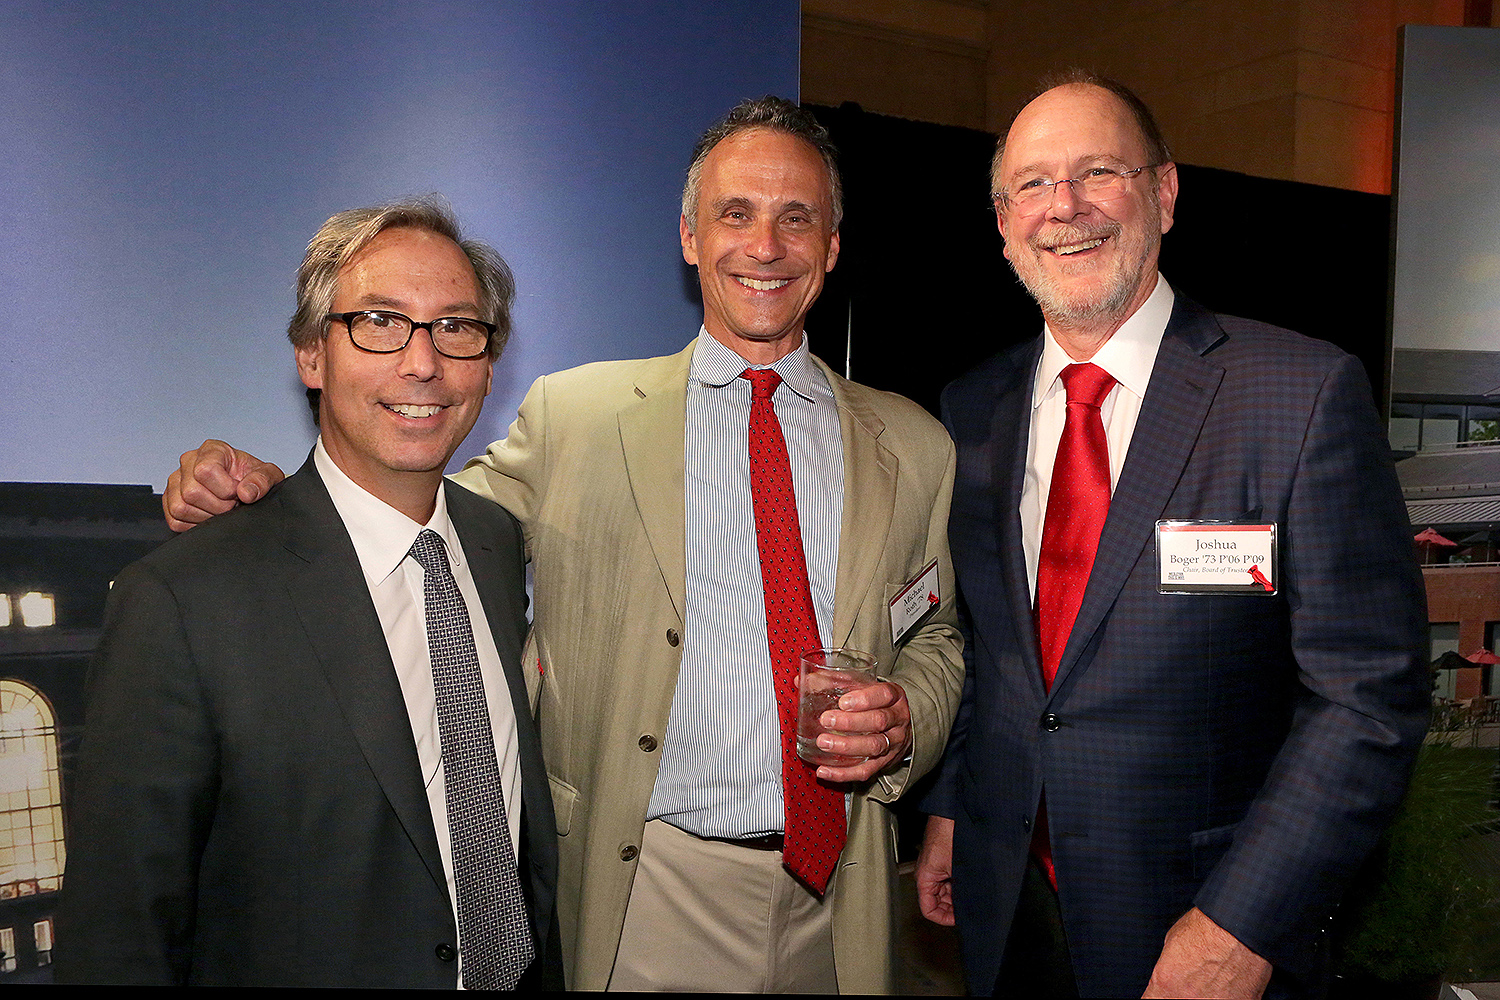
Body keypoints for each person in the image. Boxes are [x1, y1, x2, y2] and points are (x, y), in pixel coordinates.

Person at [161, 98, 965, 993]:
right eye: (735, 214)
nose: (765, 246)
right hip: (646, 896)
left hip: (846, 894)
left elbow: (935, 636)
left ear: (834, 245)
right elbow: (395, 514)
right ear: (691, 238)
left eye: (797, 217)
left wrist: (906, 715)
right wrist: (266, 492)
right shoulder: (576, 419)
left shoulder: (916, 448)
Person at [914, 72, 1430, 999]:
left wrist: (1243, 926)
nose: (1063, 206)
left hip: (1204, 925)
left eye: (1097, 172)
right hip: (1008, 908)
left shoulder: (1298, 394)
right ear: (1001, 222)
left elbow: (1368, 698)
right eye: (1031, 184)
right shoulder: (971, 410)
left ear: (1164, 193)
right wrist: (955, 805)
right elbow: (991, 652)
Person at [55, 199, 560, 988]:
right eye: (381, 321)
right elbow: (120, 926)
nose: (422, 362)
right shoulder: (186, 597)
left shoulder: (496, 546)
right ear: (311, 355)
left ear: (488, 363)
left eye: (456, 327)